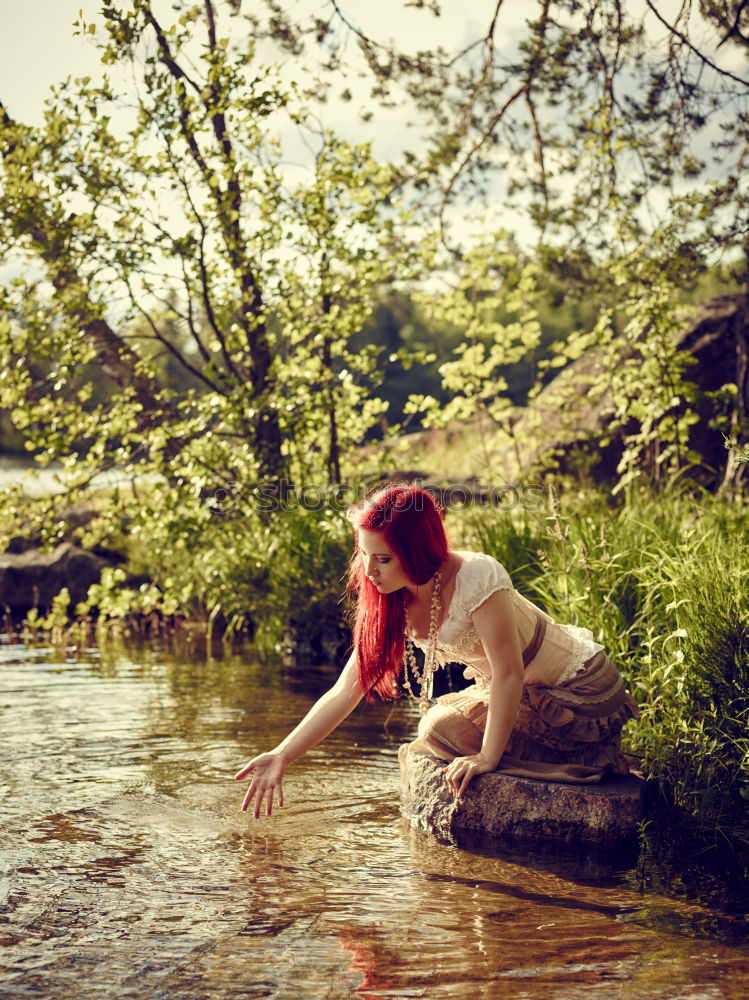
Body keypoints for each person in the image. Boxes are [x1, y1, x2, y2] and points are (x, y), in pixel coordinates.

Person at [234, 482, 639, 819]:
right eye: (363, 554)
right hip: (515, 690)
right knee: (437, 730)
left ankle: (579, 757)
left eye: (383, 559)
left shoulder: (477, 576)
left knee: (439, 729)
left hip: (575, 688)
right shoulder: (391, 595)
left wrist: (487, 758)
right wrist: (283, 755)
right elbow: (347, 689)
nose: (370, 571)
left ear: (416, 550)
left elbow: (509, 672)